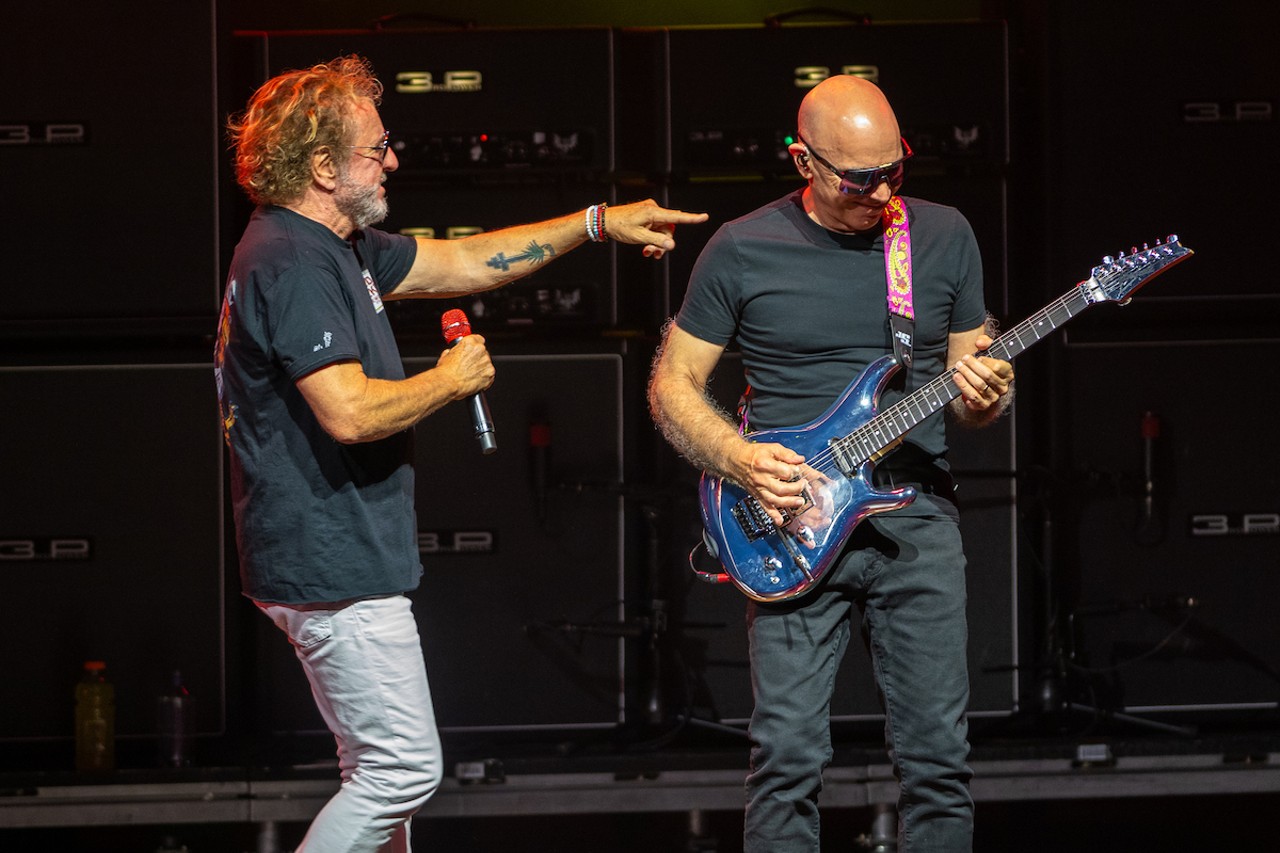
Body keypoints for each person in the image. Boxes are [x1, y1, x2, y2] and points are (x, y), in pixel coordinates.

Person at [214, 55, 706, 853]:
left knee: (373, 770)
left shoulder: (332, 247)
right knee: (401, 771)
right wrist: (447, 380)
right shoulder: (294, 261)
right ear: (321, 167)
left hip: (330, 558)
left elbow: (466, 260)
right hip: (333, 562)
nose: (393, 160)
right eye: (377, 149)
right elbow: (346, 413)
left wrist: (595, 223)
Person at [647, 74, 1013, 852]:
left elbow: (971, 394)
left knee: (938, 761)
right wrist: (739, 459)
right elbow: (672, 386)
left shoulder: (943, 235)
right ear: (802, 159)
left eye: (895, 170)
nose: (880, 193)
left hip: (915, 518)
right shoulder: (742, 246)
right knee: (785, 758)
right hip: (785, 520)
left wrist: (986, 393)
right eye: (858, 178)